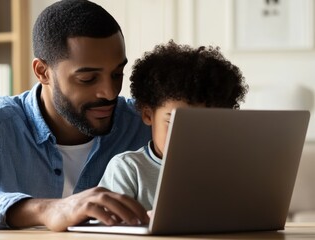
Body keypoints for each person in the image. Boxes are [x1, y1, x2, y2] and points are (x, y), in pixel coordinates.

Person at [0, 0, 151, 231]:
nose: (109, 92)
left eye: (117, 74)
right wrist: (46, 209)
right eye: (87, 78)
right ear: (42, 72)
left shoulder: (145, 123)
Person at [98, 40, 248, 210]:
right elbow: (110, 227)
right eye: (175, 122)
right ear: (148, 115)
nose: (191, 136)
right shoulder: (128, 169)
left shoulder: (226, 169)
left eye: (206, 124)